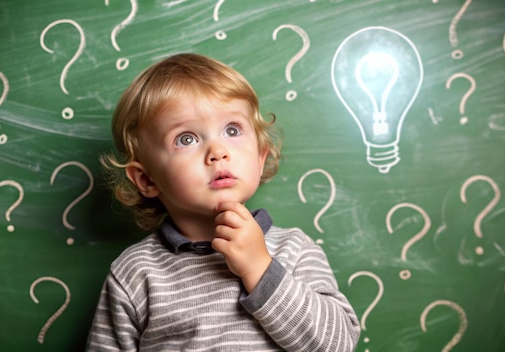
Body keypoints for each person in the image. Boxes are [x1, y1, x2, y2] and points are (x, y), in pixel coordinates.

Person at [86, 53, 360, 351]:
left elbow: (339, 344)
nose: (218, 151)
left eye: (232, 130)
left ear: (259, 156)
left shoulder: (294, 249)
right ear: (147, 179)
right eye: (186, 139)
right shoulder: (135, 273)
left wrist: (260, 268)